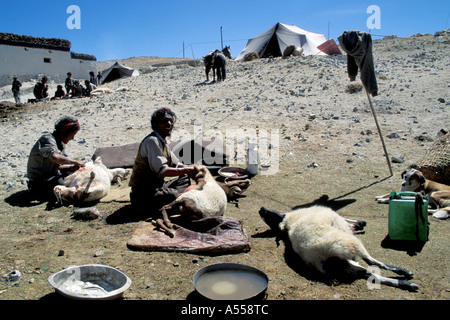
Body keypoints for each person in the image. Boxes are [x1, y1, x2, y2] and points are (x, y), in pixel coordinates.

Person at [129, 107, 196, 217]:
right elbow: (163, 171)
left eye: (171, 121)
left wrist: (193, 170)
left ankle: (174, 200)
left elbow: (176, 164)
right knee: (173, 194)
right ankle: (172, 202)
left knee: (184, 178)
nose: (169, 124)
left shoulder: (162, 142)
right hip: (143, 194)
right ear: (155, 124)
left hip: (157, 186)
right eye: (164, 121)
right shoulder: (152, 141)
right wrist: (187, 169)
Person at [27, 116, 85, 201]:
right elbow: (55, 157)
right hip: (40, 182)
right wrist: (76, 162)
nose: (72, 138)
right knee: (69, 188)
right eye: (72, 135)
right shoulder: (47, 139)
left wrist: (72, 167)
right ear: (65, 131)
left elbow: (57, 166)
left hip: (50, 176)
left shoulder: (58, 143)